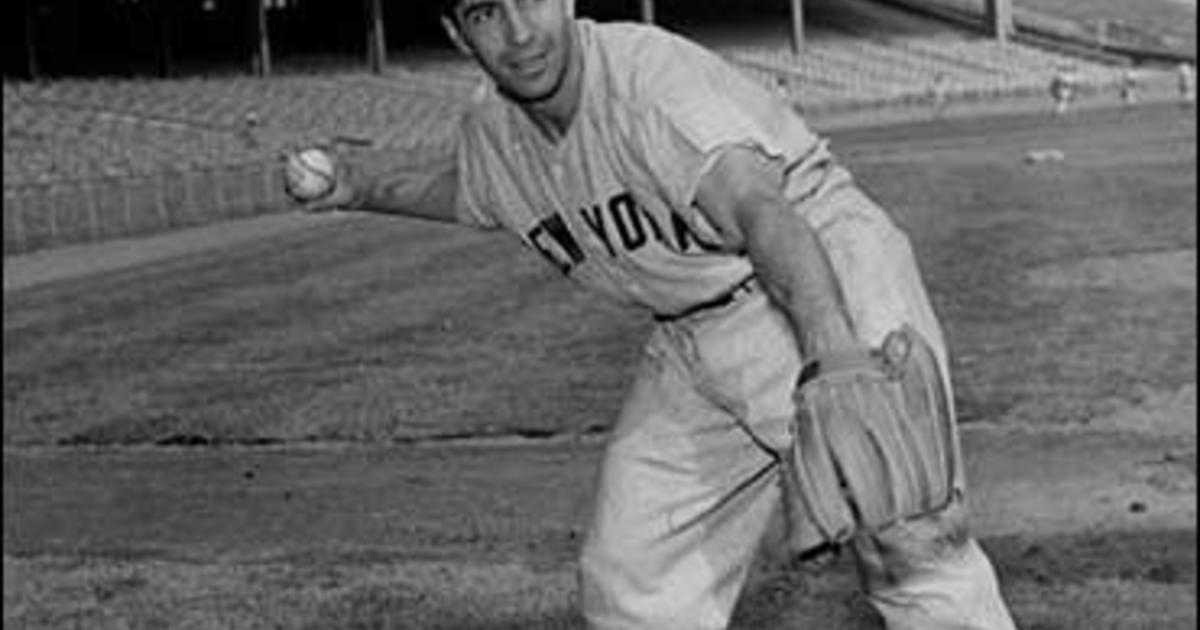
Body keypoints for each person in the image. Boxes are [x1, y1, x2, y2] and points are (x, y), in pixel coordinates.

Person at [285, 1, 1017, 628]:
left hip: (819, 270)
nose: (518, 32)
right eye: (484, 12)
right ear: (457, 33)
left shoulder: (647, 81)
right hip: (693, 332)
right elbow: (469, 191)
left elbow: (762, 209)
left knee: (911, 543)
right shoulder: (496, 133)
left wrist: (833, 349)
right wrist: (353, 185)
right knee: (634, 568)